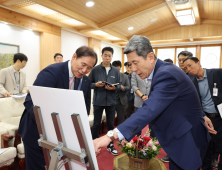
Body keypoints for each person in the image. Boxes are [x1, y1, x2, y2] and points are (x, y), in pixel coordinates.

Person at [93, 35, 216, 170]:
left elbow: (150, 109)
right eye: (130, 64)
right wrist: (201, 115)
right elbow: (189, 96)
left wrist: (111, 136)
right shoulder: (162, 71)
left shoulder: (166, 74)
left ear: (150, 57)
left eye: (135, 63)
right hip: (182, 132)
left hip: (187, 139)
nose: (133, 69)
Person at [18, 46, 97, 170]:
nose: (84, 70)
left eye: (89, 68)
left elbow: (81, 107)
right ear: (74, 56)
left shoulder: (85, 80)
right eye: (83, 64)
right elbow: (30, 101)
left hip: (61, 135)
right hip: (36, 131)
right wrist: (49, 126)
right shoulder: (52, 72)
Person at [183, 57, 222, 170]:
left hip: (220, 117)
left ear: (198, 63)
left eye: (190, 65)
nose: (189, 69)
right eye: (186, 68)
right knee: (205, 147)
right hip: (205, 119)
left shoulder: (216, 73)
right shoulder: (191, 82)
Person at [89, 47, 121, 156]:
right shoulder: (95, 69)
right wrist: (95, 85)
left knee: (111, 124)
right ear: (102, 56)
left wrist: (114, 88)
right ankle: (93, 144)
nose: (107, 57)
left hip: (111, 102)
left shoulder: (116, 70)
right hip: (98, 101)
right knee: (96, 124)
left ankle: (110, 145)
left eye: (109, 55)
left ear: (112, 57)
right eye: (105, 55)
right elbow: (88, 83)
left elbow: (119, 84)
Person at [112, 60, 130, 125]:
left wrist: (123, 88)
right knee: (110, 119)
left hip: (121, 101)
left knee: (121, 119)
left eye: (119, 70)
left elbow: (128, 87)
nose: (117, 71)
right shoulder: (108, 77)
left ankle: (121, 134)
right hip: (111, 100)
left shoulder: (125, 76)